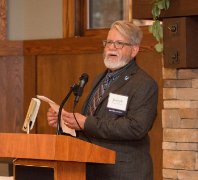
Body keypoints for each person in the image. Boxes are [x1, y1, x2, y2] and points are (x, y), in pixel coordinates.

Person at [47, 20, 158, 180]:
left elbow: (136, 127)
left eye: (119, 43)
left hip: (123, 172)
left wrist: (85, 122)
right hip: (92, 168)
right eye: (109, 42)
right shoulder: (100, 79)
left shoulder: (144, 84)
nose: (111, 47)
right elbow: (91, 127)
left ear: (134, 50)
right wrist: (65, 122)